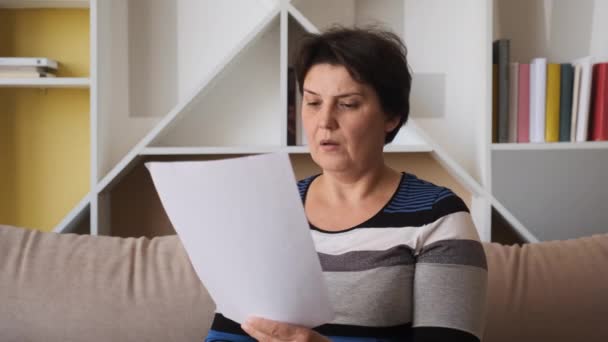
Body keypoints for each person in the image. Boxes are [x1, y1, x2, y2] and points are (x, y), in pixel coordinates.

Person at [205, 26, 487, 342]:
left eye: (348, 104)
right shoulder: (271, 208)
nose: (324, 121)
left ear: (391, 116)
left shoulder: (438, 216)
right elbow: (228, 335)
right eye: (313, 102)